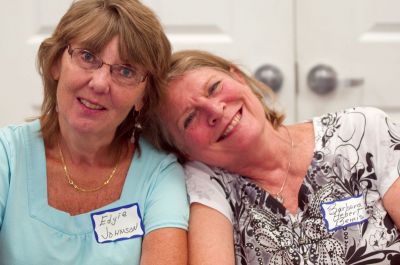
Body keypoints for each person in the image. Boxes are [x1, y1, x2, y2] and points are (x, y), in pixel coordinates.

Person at [147, 49, 400, 264]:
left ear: (239, 78)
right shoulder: (207, 183)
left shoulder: (361, 130)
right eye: (190, 118)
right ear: (182, 150)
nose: (215, 110)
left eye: (214, 88)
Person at [0, 0, 189, 264]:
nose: (100, 84)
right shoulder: (7, 155)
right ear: (56, 63)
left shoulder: (159, 176)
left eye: (125, 70)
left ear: (143, 96)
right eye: (87, 56)